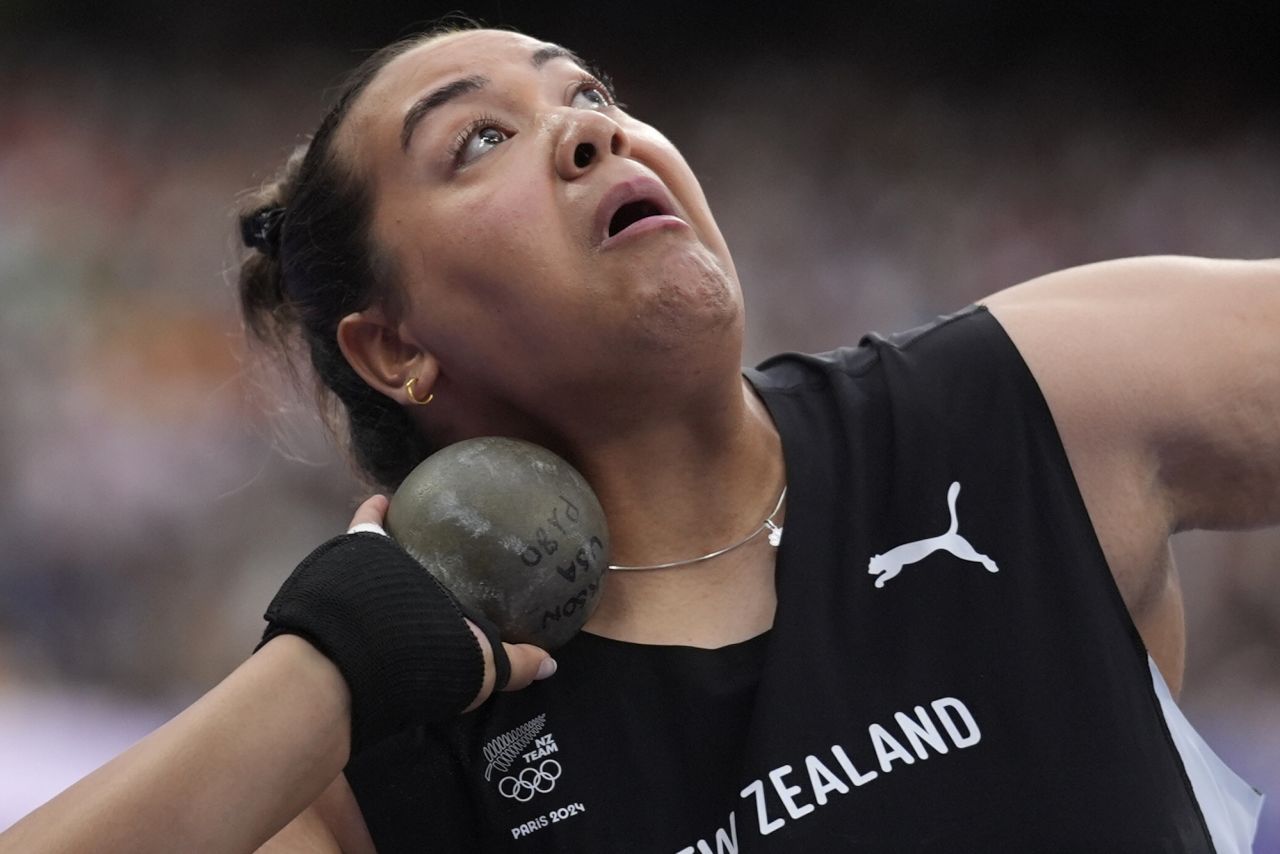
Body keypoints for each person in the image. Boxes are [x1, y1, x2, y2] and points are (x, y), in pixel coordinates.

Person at [1, 24, 1274, 854]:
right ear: (393, 349)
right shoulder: (389, 761)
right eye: (477, 140)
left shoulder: (1022, 402)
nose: (595, 129)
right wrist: (317, 672)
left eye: (591, 92)